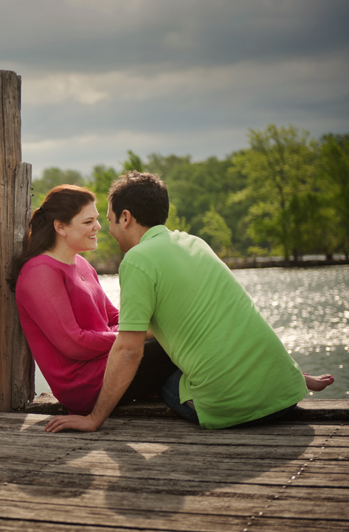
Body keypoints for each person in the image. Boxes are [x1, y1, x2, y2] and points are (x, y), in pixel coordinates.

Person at [45, 171, 334, 432]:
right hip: (285, 393)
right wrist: (296, 374)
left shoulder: (137, 260)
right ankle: (284, 376)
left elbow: (129, 351)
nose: (108, 229)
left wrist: (93, 418)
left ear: (126, 217)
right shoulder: (195, 243)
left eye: (109, 220)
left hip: (233, 407)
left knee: (161, 375)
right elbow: (239, 317)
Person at [10, 184, 177, 417]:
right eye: (88, 222)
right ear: (60, 227)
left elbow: (114, 317)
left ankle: (184, 396)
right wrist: (139, 334)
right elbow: (74, 343)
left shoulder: (80, 263)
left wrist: (141, 329)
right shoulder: (40, 272)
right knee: (176, 339)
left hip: (109, 363)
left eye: (97, 219)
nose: (98, 226)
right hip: (84, 384)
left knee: (178, 334)